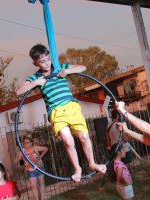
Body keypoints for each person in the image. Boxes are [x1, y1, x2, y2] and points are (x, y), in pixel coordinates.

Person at [16, 43, 106, 182]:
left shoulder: (58, 67)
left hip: (71, 106)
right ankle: (78, 169)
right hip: (56, 111)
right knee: (68, 141)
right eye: (42, 61)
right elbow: (18, 91)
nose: (46, 63)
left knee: (84, 136)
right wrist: (35, 83)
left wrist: (67, 72)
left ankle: (92, 163)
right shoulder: (36, 77)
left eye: (47, 59)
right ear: (35, 63)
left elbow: (83, 67)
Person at [13, 136, 48, 200]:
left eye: (27, 142)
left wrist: (40, 157)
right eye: (24, 142)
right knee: (33, 186)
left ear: (31, 143)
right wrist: (13, 163)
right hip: (31, 170)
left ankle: (42, 199)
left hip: (40, 167)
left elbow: (46, 148)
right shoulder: (22, 151)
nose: (25, 144)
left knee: (41, 183)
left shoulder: (35, 147)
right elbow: (17, 159)